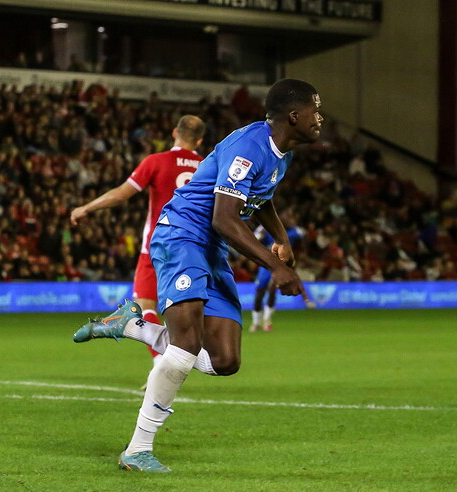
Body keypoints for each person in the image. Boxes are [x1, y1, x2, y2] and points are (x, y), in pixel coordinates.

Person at [73, 78, 321, 472]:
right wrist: (275, 267)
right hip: (182, 233)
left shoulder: (282, 152)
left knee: (225, 360)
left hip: (210, 247)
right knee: (185, 347)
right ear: (294, 115)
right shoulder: (248, 147)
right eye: (315, 110)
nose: (319, 118)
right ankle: (137, 449)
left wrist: (281, 240)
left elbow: (260, 198)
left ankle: (133, 327)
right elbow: (224, 218)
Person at [71, 115, 206, 367]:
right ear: (199, 140)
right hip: (197, 249)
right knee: (185, 310)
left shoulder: (156, 161)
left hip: (159, 245)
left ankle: (161, 362)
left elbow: (123, 194)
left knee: (146, 306)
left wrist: (87, 208)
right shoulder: (209, 166)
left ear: (174, 131)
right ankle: (174, 359)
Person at [250, 214, 306, 332]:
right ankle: (256, 322)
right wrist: (262, 231)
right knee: (260, 292)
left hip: (281, 265)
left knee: (272, 288)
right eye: (286, 219)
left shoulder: (289, 233)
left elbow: (302, 233)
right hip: (266, 264)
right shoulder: (267, 230)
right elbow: (255, 237)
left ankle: (267, 319)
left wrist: (292, 225)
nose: (288, 221)